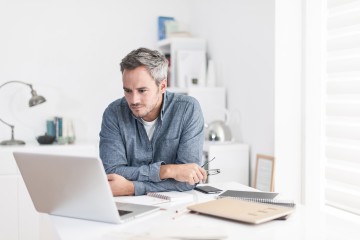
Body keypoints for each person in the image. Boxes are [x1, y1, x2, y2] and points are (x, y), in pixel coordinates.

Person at [99, 47, 207, 196]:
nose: (134, 100)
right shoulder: (114, 113)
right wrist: (167, 171)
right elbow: (112, 174)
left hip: (174, 207)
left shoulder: (188, 110)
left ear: (162, 86)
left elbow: (187, 181)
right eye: (127, 91)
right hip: (128, 206)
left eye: (142, 90)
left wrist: (132, 187)